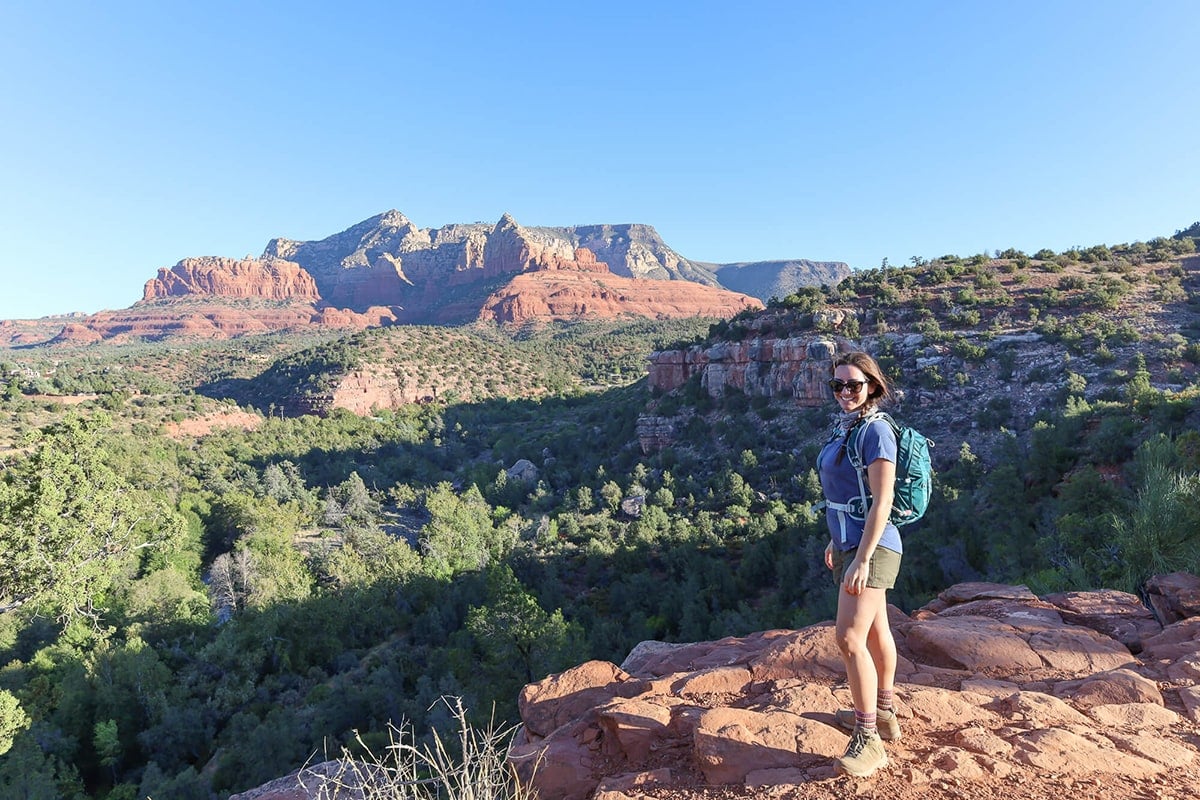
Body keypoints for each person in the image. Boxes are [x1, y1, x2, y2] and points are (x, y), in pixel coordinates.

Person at [817, 351, 902, 778]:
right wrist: (837, 542)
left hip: (875, 546)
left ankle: (868, 739)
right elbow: (846, 494)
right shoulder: (847, 426)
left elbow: (882, 500)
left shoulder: (877, 432)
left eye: (854, 384)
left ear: (872, 385)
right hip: (850, 543)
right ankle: (883, 715)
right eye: (838, 385)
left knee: (849, 638)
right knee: (875, 631)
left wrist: (863, 558)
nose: (845, 392)